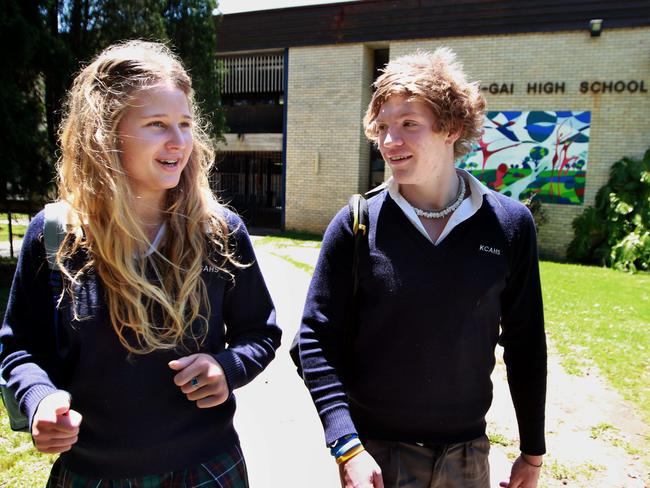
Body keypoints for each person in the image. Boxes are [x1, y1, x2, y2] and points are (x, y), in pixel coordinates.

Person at [0, 40, 281, 487]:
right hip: (94, 473)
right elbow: (19, 349)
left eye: (186, 124)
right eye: (157, 124)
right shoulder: (56, 235)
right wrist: (39, 398)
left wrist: (226, 368)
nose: (179, 141)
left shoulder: (220, 233)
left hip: (208, 468)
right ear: (106, 132)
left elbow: (260, 332)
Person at [297, 48, 546, 488]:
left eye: (409, 124)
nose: (390, 141)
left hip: (469, 458)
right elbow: (313, 340)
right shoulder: (357, 224)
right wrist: (345, 443)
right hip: (376, 458)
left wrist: (532, 453)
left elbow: (526, 345)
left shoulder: (509, 225)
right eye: (383, 128)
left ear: (450, 127)